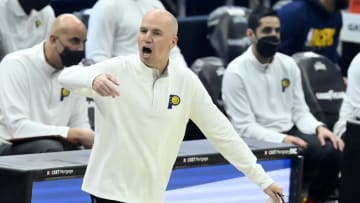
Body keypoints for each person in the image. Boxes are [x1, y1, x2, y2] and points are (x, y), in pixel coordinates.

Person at [58, 9, 283, 203]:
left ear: (172, 42)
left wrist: (263, 180)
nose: (147, 38)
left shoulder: (185, 81)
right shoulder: (118, 69)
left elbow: (222, 133)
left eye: (156, 33)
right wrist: (93, 80)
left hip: (150, 195)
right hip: (108, 190)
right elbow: (66, 76)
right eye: (143, 30)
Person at [222, 7, 344, 203]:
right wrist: (282, 139)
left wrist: (319, 127)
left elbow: (300, 110)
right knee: (289, 153)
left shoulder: (288, 64)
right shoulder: (235, 72)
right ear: (250, 34)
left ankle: (313, 200)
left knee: (332, 150)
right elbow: (243, 127)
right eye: (267, 31)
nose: (274, 36)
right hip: (256, 138)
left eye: (277, 31)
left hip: (290, 130)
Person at [0, 14, 94, 156]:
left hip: (57, 144)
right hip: (10, 146)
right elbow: (17, 128)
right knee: (50, 148)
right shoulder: (15, 65)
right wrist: (69, 133)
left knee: (92, 152)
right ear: (53, 40)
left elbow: (79, 123)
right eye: (74, 41)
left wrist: (90, 141)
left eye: (83, 42)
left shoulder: (76, 71)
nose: (80, 49)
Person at [85, 0, 188, 68]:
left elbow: (172, 50)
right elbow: (96, 58)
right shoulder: (106, 6)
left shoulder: (155, 4)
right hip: (122, 86)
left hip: (159, 83)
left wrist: (186, 78)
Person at [277, 0, 349, 75]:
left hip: (320, 77)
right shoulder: (292, 14)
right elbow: (279, 58)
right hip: (293, 76)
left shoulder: (336, 15)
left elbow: (331, 55)